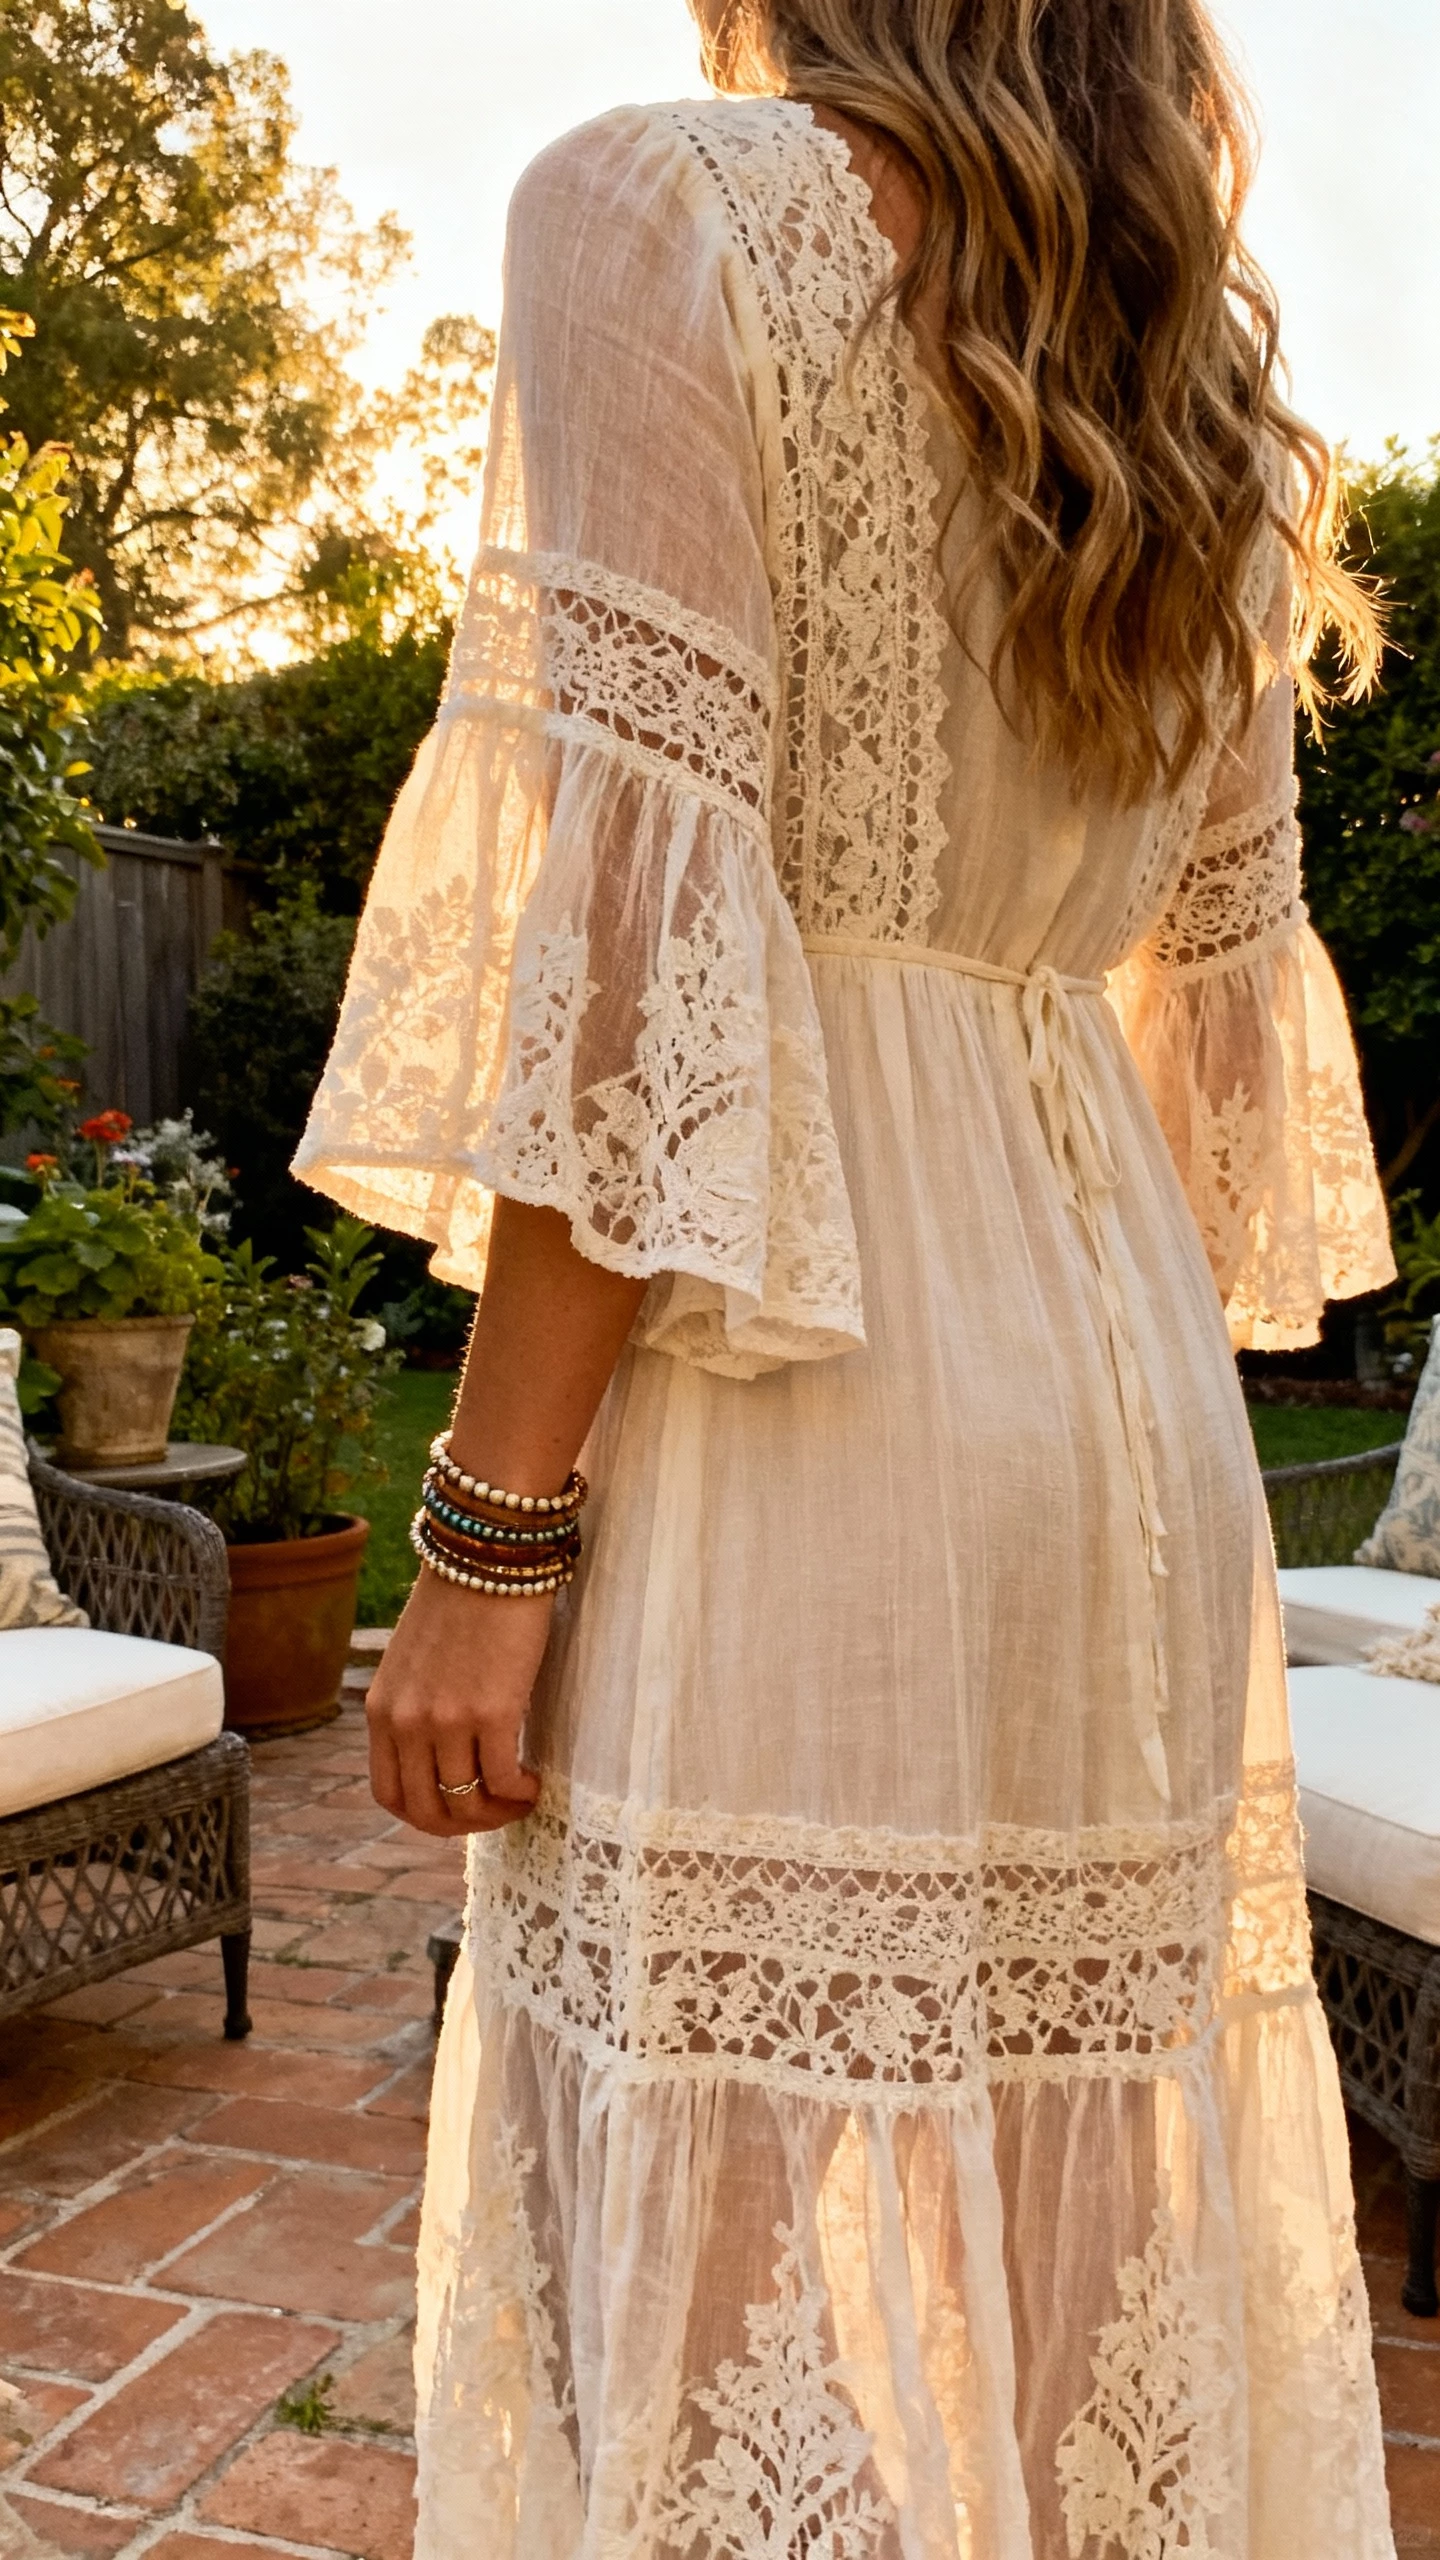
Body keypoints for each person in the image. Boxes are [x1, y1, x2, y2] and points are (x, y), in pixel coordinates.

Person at [295, 2, 1401, 2550]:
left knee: (723, 2260)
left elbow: (637, 944)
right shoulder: (1191, 367)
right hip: (1113, 1397)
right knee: (1095, 2204)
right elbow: (1196, 1017)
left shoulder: (657, 207)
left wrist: (484, 1532)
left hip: (798, 1392)